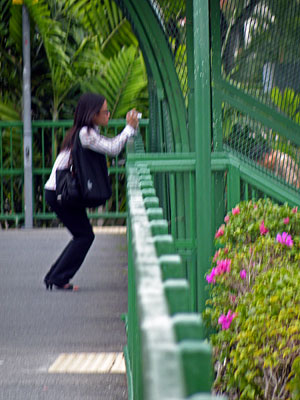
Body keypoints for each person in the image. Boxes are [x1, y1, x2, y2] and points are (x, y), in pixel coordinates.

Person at [44, 92, 139, 291]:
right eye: (104, 112)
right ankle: (57, 277)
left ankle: (56, 276)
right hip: (59, 192)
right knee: (84, 235)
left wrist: (129, 131)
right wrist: (129, 128)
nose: (108, 115)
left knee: (84, 235)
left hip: (61, 192)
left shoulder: (86, 131)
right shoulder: (85, 134)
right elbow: (112, 148)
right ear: (92, 113)